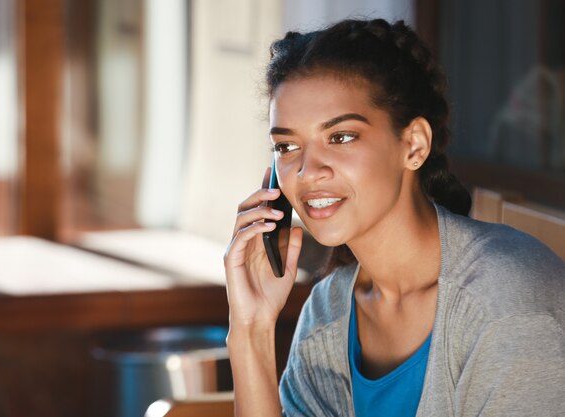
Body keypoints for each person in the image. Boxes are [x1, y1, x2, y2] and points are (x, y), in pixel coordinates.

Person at [223, 18, 565, 417]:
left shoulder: (506, 307)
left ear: (414, 145)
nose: (306, 171)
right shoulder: (329, 313)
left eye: (341, 137)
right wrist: (251, 331)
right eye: (286, 146)